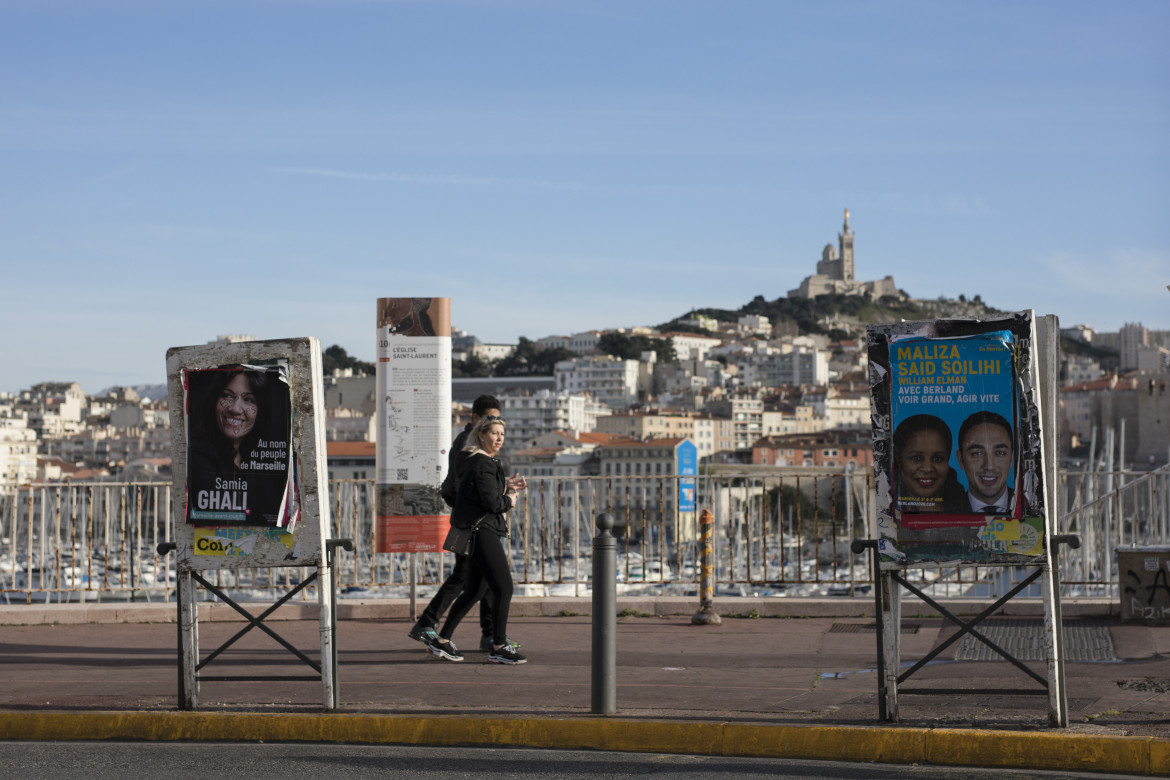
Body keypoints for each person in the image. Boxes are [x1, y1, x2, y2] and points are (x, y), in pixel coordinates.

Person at [407, 395, 523, 653]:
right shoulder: (468, 446)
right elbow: (471, 486)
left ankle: (484, 634)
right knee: (470, 580)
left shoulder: (477, 449)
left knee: (478, 583)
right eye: (489, 421)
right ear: (476, 421)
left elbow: (479, 486)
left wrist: (503, 487)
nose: (496, 430)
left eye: (497, 422)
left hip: (474, 521)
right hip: (474, 523)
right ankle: (441, 628)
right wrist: (505, 497)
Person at [187, 366, 286, 525]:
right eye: (227, 396)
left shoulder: (259, 459)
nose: (234, 408)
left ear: (260, 412)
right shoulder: (196, 456)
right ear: (214, 401)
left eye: (249, 400)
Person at [892, 414, 967, 514]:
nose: (928, 468)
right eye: (916, 458)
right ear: (899, 460)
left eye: (938, 459)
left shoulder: (967, 507)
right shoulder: (889, 507)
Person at [956, 411, 1015, 514]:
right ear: (961, 459)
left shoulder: (1028, 504)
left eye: (1000, 453)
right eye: (977, 453)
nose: (989, 466)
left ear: (1011, 459)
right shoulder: (947, 510)